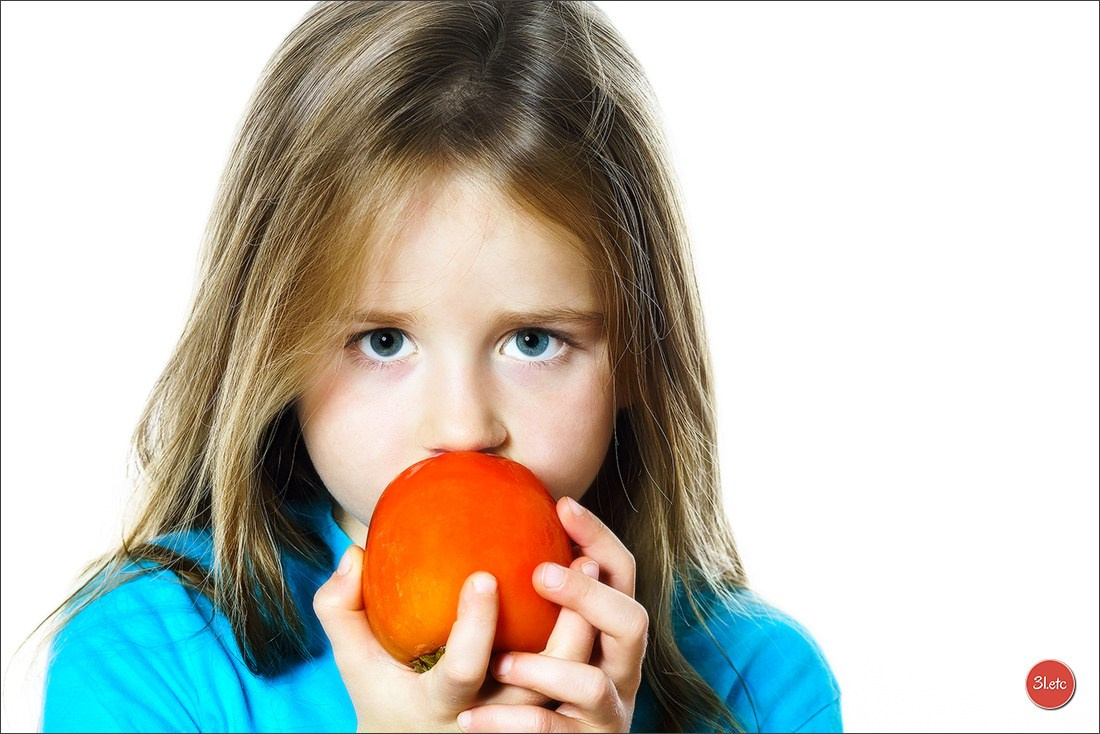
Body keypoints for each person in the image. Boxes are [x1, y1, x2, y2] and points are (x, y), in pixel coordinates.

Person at [41, 2, 841, 731]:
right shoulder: (145, 659)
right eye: (383, 341)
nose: (462, 426)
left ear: (636, 353)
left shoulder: (762, 687)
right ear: (274, 349)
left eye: (533, 340)